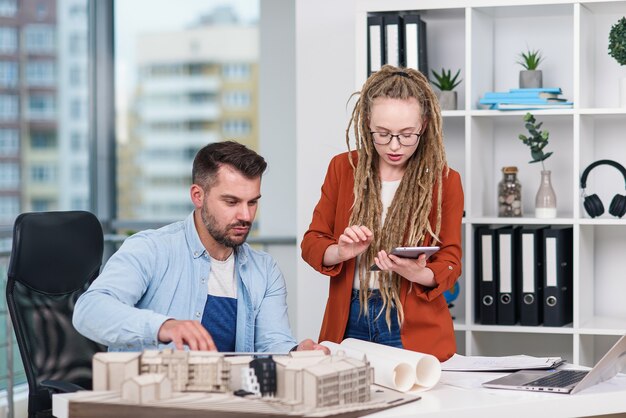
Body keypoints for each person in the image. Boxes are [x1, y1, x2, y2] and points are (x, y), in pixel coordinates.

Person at [74, 140, 327, 354]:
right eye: (231, 201)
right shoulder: (151, 249)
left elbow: (272, 345)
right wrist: (165, 327)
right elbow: (89, 310)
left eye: (252, 203)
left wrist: (295, 355)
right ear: (198, 196)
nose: (246, 215)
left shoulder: (265, 270)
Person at [301, 65, 464, 361]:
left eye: (406, 135)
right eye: (383, 134)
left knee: (415, 405)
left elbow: (451, 261)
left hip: (409, 323)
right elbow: (312, 243)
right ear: (366, 122)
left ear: (424, 125)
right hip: (350, 316)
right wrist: (341, 250)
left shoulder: (445, 181)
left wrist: (419, 273)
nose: (394, 146)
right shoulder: (343, 168)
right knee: (349, 402)